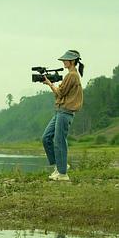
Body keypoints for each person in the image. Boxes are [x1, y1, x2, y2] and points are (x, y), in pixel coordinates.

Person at [42, 50, 84, 182]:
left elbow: (59, 93)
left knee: (60, 141)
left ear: (72, 61)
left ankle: (63, 174)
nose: (64, 62)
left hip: (65, 112)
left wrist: (50, 84)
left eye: (66, 60)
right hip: (60, 111)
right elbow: (61, 93)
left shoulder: (72, 75)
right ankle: (60, 166)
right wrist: (52, 85)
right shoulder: (70, 75)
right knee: (46, 138)